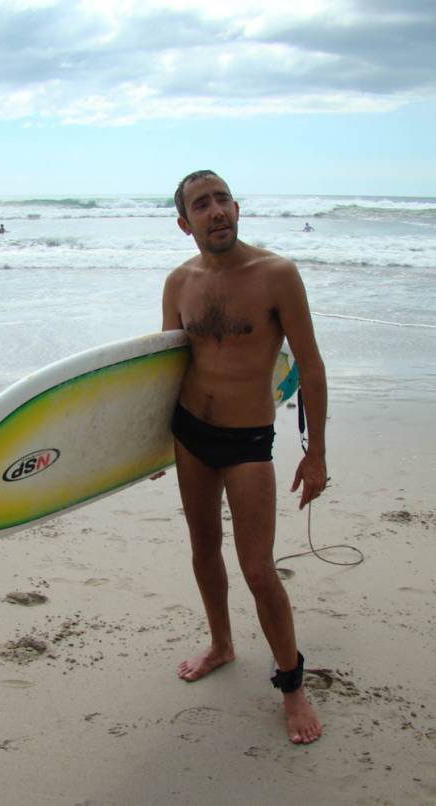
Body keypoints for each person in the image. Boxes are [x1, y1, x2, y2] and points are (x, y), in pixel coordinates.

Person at [161, 170, 327, 744]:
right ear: (185, 223)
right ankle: (222, 644)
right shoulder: (178, 282)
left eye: (222, 199)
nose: (216, 211)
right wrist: (148, 447)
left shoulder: (276, 275)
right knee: (203, 547)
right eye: (201, 205)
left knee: (258, 569)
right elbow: (162, 372)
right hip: (189, 436)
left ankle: (292, 684)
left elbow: (310, 364)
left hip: (248, 441)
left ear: (238, 207)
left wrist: (316, 453)